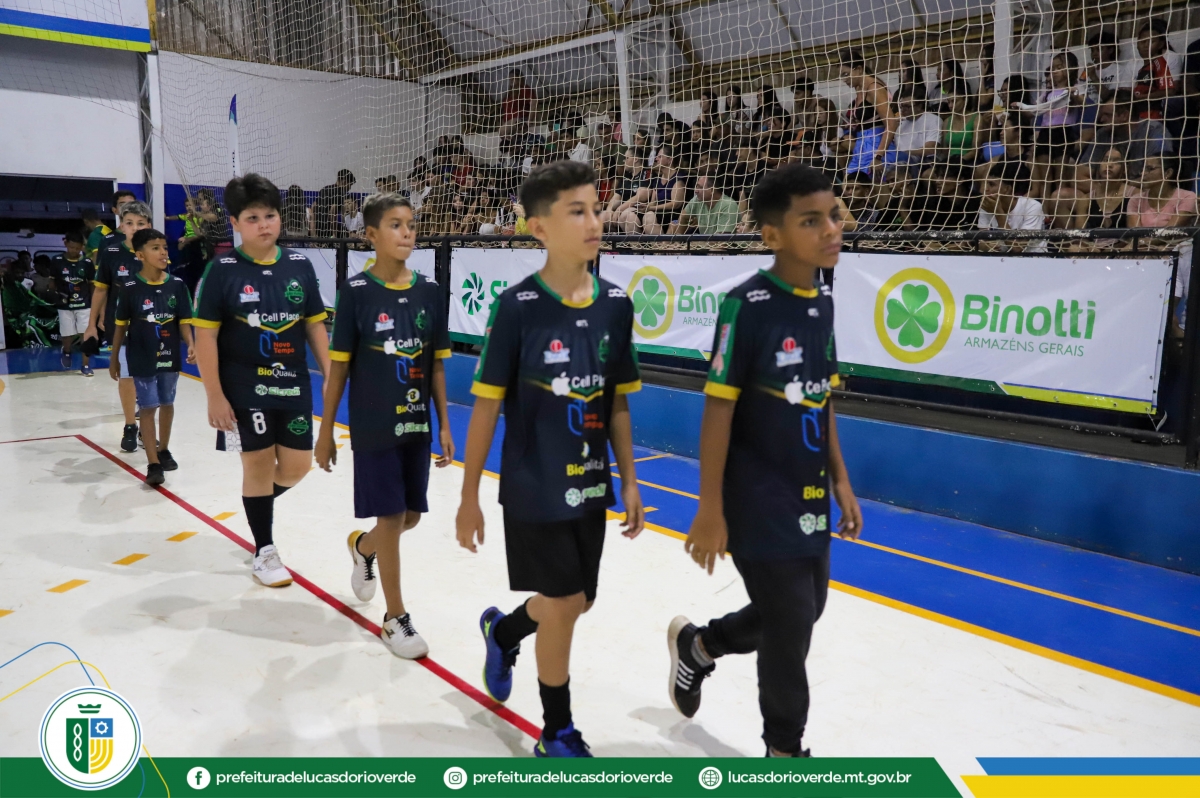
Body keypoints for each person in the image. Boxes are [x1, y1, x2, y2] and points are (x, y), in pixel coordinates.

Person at [667, 161, 863, 758]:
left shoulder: (822, 303)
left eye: (833, 216)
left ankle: (700, 646)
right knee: (790, 620)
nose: (830, 229)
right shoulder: (745, 306)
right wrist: (709, 507)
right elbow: (717, 410)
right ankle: (784, 753)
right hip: (754, 494)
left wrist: (841, 479)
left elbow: (822, 398)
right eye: (811, 221)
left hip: (808, 489)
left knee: (805, 610)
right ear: (772, 234)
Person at [456, 161, 644, 758]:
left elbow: (617, 401)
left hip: (591, 482)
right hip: (533, 483)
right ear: (538, 227)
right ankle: (557, 731)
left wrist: (629, 480)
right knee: (563, 602)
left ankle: (505, 630)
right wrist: (468, 496)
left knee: (577, 602)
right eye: (577, 212)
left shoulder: (617, 304)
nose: (594, 222)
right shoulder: (516, 308)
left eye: (596, 209)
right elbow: (486, 406)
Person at [316, 193, 453, 658]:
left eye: (411, 224)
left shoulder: (430, 292)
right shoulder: (356, 292)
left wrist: (445, 424)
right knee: (392, 517)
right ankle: (395, 618)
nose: (407, 232)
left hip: (416, 423)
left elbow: (436, 363)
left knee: (408, 517)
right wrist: (325, 431)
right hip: (374, 425)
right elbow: (339, 367)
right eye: (395, 224)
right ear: (371, 235)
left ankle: (363, 548)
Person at [192, 173, 331, 587]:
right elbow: (206, 336)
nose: (264, 225)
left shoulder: (300, 265)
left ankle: (257, 509)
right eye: (252, 218)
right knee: (256, 462)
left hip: (292, 382)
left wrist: (331, 375)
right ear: (235, 223)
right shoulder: (221, 270)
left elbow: (315, 325)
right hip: (243, 384)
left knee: (297, 467)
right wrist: (214, 395)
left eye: (270, 215)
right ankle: (265, 550)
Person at [109, 228, 195, 486]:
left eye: (164, 248)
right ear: (140, 255)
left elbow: (184, 320)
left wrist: (191, 344)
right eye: (155, 248)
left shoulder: (177, 285)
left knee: (167, 402)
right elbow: (120, 326)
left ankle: (164, 449)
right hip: (141, 355)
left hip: (169, 354)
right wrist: (114, 358)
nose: (162, 253)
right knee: (148, 407)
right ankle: (153, 463)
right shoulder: (130, 288)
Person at [86, 201, 152, 451]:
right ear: (121, 226)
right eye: (129, 223)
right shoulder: (111, 252)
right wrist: (92, 324)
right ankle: (130, 426)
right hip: (121, 325)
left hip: (150, 325)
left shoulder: (156, 251)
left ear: (148, 225)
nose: (135, 228)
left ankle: (146, 429)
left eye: (140, 223)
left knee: (149, 378)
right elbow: (100, 290)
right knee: (127, 374)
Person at [1012, 50, 1087, 199]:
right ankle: (1045, 208)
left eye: (1059, 67)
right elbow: (1034, 111)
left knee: (1060, 176)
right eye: (1053, 68)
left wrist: (1073, 94)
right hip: (1045, 133)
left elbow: (1083, 104)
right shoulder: (1047, 93)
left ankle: (1058, 204)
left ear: (1070, 69)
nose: (1055, 71)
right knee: (1045, 178)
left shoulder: (1075, 89)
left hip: (1063, 132)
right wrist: (1021, 107)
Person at [838, 49, 896, 177]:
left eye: (846, 74)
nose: (844, 79)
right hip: (861, 145)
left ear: (859, 69)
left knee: (867, 182)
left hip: (877, 145)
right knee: (848, 182)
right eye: (842, 76)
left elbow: (891, 124)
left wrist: (878, 156)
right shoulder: (859, 88)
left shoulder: (874, 88)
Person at [978, 160, 1046, 251]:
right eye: (986, 183)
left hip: (1032, 258)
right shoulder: (987, 206)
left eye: (991, 184)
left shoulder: (1032, 207)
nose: (985, 189)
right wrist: (983, 246)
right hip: (999, 257)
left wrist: (998, 213)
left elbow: (1018, 248)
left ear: (1007, 189)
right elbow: (982, 239)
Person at [52, 231, 94, 374]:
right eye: (71, 247)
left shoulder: (87, 263)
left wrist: (93, 302)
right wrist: (56, 294)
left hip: (84, 304)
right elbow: (52, 282)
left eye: (77, 248)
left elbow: (92, 284)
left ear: (82, 247)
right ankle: (67, 351)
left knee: (85, 334)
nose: (74, 251)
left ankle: (85, 365)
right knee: (67, 333)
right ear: (65, 244)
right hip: (65, 304)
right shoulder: (57, 260)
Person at [1132, 19, 1183, 122]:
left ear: (1160, 44)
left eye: (1152, 41)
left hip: (1152, 116)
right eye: (1142, 41)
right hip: (1139, 115)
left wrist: (1141, 97)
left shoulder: (1159, 63)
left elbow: (1170, 91)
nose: (1146, 45)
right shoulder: (1142, 68)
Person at [887, 90, 941, 176]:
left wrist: (905, 153)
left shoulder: (932, 120)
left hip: (923, 160)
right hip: (899, 160)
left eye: (907, 106)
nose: (903, 110)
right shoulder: (900, 123)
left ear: (919, 106)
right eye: (901, 106)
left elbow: (930, 149)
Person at [670, 174, 740, 234]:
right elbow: (683, 216)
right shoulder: (697, 200)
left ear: (712, 190)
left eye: (700, 187)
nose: (696, 191)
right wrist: (678, 240)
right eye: (696, 186)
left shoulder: (728, 205)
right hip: (705, 244)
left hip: (729, 245)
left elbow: (722, 242)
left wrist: (699, 243)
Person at [85, 190, 137, 262]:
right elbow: (101, 267)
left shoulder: (146, 237)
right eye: (122, 205)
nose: (127, 208)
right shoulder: (107, 240)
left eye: (131, 204)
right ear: (114, 210)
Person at [312, 169, 356, 237]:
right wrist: (334, 235)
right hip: (329, 230)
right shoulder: (341, 193)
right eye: (350, 185)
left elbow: (314, 206)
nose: (349, 188)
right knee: (354, 235)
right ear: (344, 182)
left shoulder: (324, 189)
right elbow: (333, 210)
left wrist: (314, 233)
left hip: (318, 228)